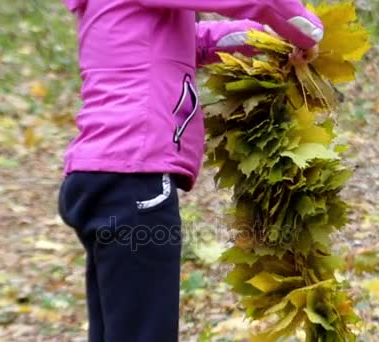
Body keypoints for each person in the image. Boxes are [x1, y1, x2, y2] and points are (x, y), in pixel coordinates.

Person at [57, 1, 323, 341]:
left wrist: (268, 39)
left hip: (99, 177)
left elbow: (188, 43)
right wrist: (308, 30)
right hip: (135, 181)